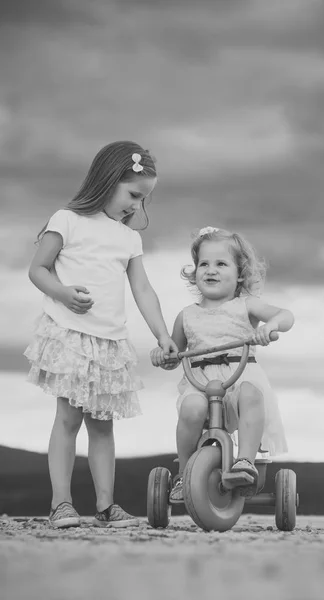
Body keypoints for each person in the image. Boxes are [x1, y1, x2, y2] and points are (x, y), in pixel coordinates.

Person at [24, 141, 178, 528]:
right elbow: (38, 269)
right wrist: (62, 293)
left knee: (103, 426)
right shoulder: (67, 219)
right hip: (71, 334)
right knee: (67, 419)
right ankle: (61, 503)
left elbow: (143, 290)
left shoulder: (129, 239)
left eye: (143, 200)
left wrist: (162, 334)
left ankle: (106, 505)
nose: (136, 206)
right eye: (133, 195)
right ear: (109, 179)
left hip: (110, 342)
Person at [150, 226, 294, 502]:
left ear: (240, 273)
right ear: (194, 271)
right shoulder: (187, 315)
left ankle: (245, 462)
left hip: (239, 379)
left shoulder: (246, 305)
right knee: (191, 407)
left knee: (253, 393)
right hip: (201, 384)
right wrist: (163, 355)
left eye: (221, 263)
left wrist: (271, 325)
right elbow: (174, 354)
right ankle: (185, 472)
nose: (210, 270)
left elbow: (286, 315)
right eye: (203, 263)